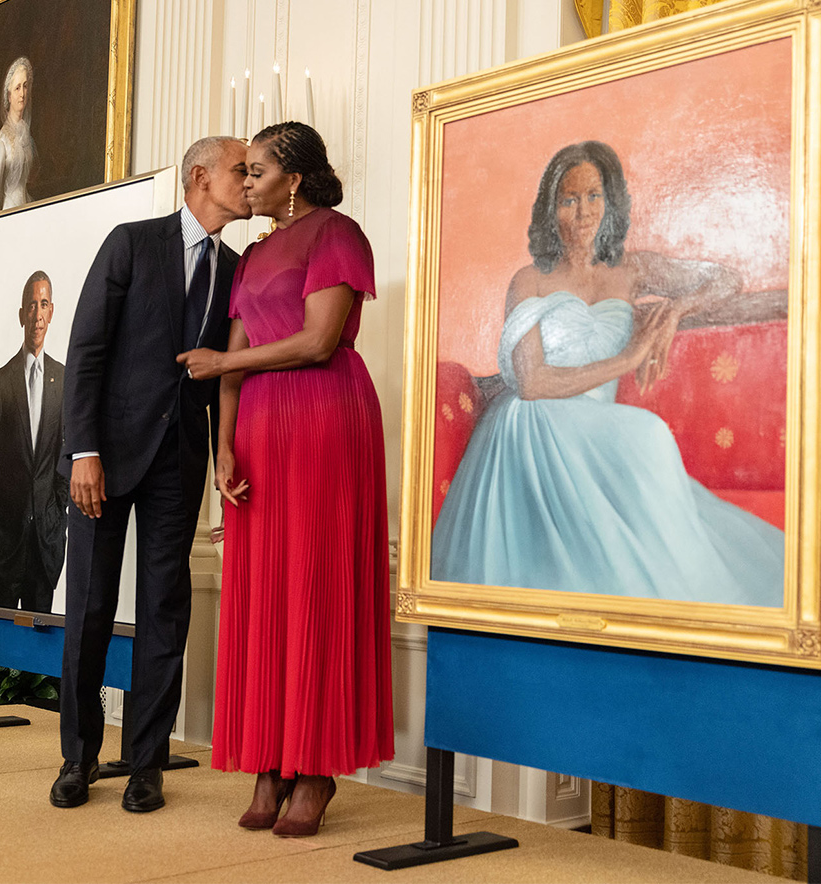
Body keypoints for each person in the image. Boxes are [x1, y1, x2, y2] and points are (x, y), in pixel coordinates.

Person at [431, 140, 784, 605]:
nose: (582, 213)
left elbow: (725, 280)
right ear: (550, 209)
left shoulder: (631, 270)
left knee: (646, 437)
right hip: (532, 423)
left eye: (593, 196)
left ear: (611, 200)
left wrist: (678, 308)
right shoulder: (529, 280)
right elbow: (533, 383)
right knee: (648, 433)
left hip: (594, 423)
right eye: (569, 199)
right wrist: (628, 360)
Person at [178, 122, 395, 837]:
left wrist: (220, 365)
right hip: (263, 431)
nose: (247, 182)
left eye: (258, 170)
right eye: (244, 172)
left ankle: (318, 768)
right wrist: (226, 451)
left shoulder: (338, 233)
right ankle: (271, 760)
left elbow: (317, 340)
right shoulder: (254, 254)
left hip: (325, 418)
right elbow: (234, 353)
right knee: (263, 589)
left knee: (317, 583)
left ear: (294, 178)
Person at [51, 135, 251, 813]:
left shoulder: (238, 268)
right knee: (91, 609)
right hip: (103, 458)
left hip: (179, 460)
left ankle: (147, 763)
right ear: (200, 177)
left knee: (166, 609)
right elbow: (86, 351)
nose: (249, 181)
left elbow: (232, 372)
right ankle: (77, 757)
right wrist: (83, 450)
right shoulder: (131, 243)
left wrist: (227, 448)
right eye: (239, 170)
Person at [0, 270, 67, 611]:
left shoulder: (63, 378)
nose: (37, 314)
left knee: (36, 654)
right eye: (31, 305)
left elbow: (65, 457)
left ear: (51, 311)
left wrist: (59, 517)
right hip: (6, 543)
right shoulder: (2, 380)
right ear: (21, 315)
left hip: (47, 543)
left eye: (43, 304)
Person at [0, 56, 37, 213]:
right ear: (9, 96)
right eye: (17, 88)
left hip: (26, 211)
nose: (22, 93)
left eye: (25, 86)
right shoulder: (2, 141)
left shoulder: (26, 133)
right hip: (8, 215)